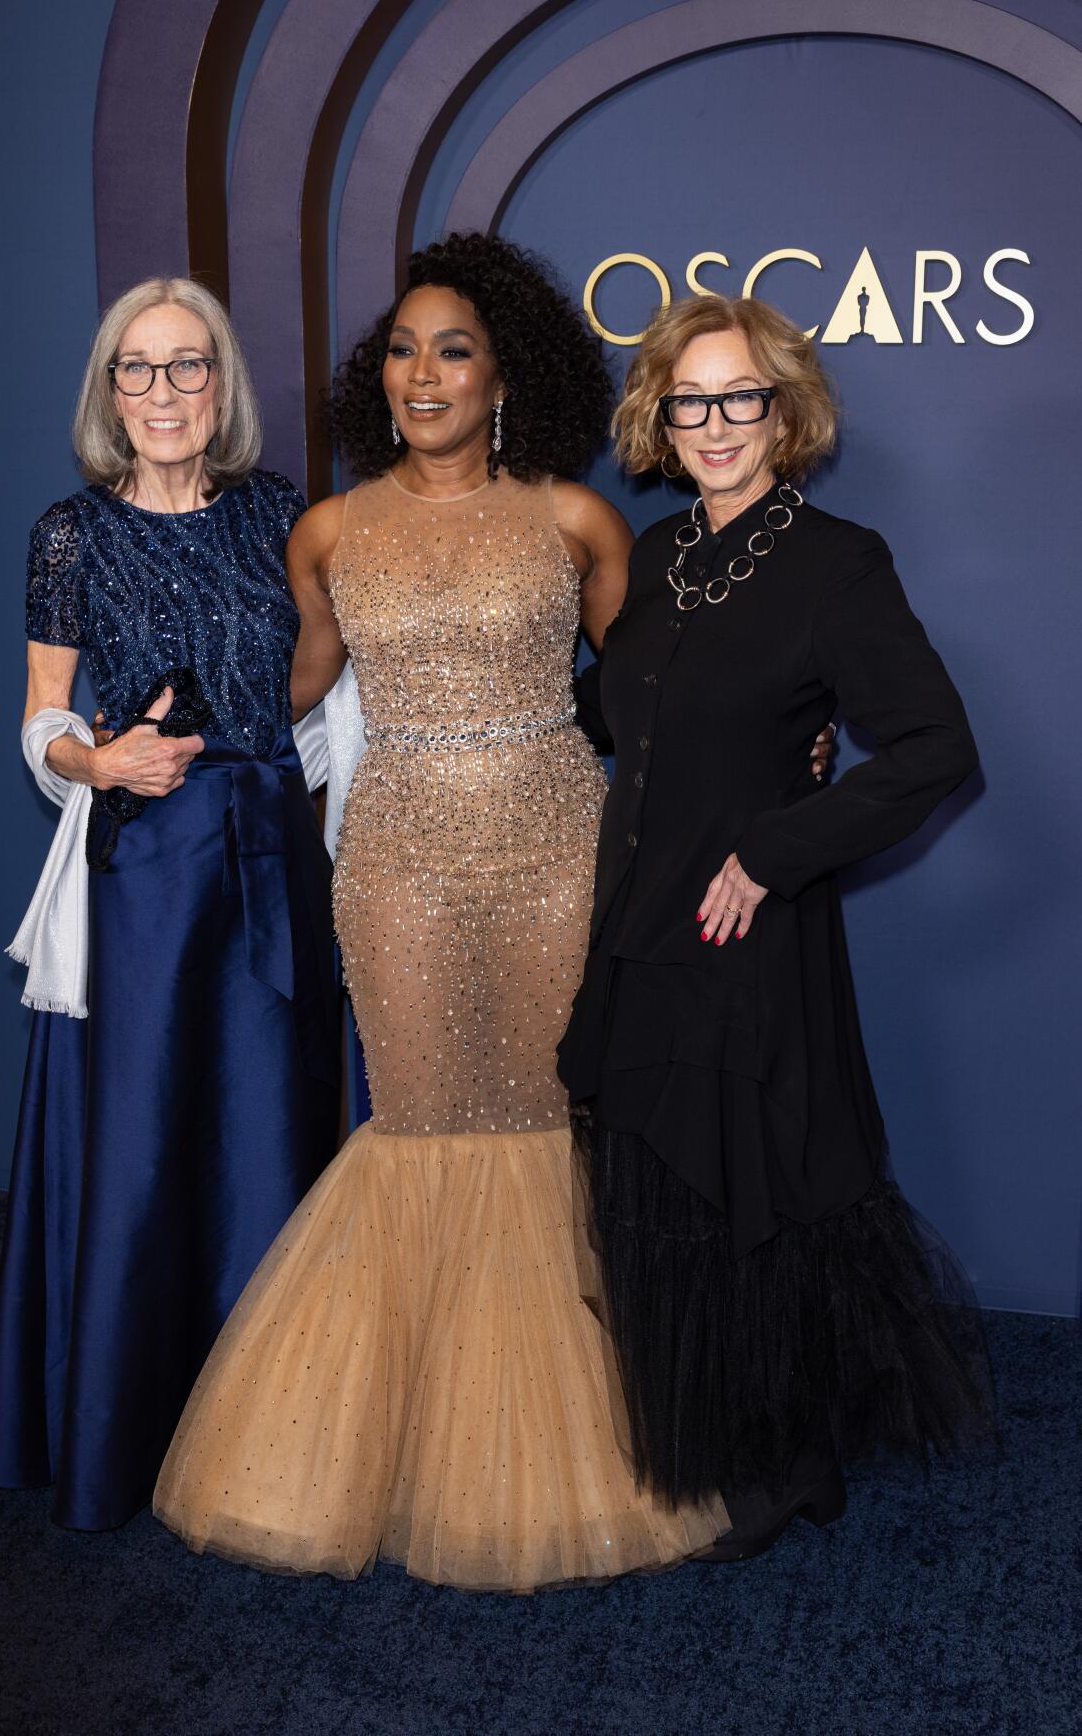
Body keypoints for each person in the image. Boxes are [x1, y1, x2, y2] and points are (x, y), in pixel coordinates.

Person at [154, 233, 738, 1590]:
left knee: (545, 1120)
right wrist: (141, 733)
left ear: (506, 374)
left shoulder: (575, 521)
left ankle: (576, 1448)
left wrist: (781, 746)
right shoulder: (333, 531)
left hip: (552, 849)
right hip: (400, 856)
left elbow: (653, 694)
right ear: (382, 376)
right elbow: (290, 689)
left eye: (454, 348)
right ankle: (395, 1445)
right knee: (422, 1122)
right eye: (405, 348)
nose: (425, 372)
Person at [558, 292, 995, 1561]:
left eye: (739, 396)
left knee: (747, 1186)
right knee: (666, 1191)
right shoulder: (658, 555)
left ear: (784, 410)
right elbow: (612, 718)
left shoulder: (836, 562)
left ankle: (782, 1464)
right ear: (659, 414)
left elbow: (935, 749)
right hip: (641, 924)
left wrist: (776, 843)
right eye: (689, 400)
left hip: (742, 931)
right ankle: (730, 1445)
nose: (715, 423)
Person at [0, 279, 339, 1531]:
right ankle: (126, 1436)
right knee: (140, 1140)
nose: (163, 394)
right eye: (137, 370)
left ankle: (277, 1440)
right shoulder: (68, 534)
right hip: (142, 866)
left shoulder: (284, 518)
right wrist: (101, 761)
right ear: (108, 391)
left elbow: (325, 689)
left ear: (221, 387)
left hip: (272, 859)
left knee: (266, 1134)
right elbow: (44, 718)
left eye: (188, 368)